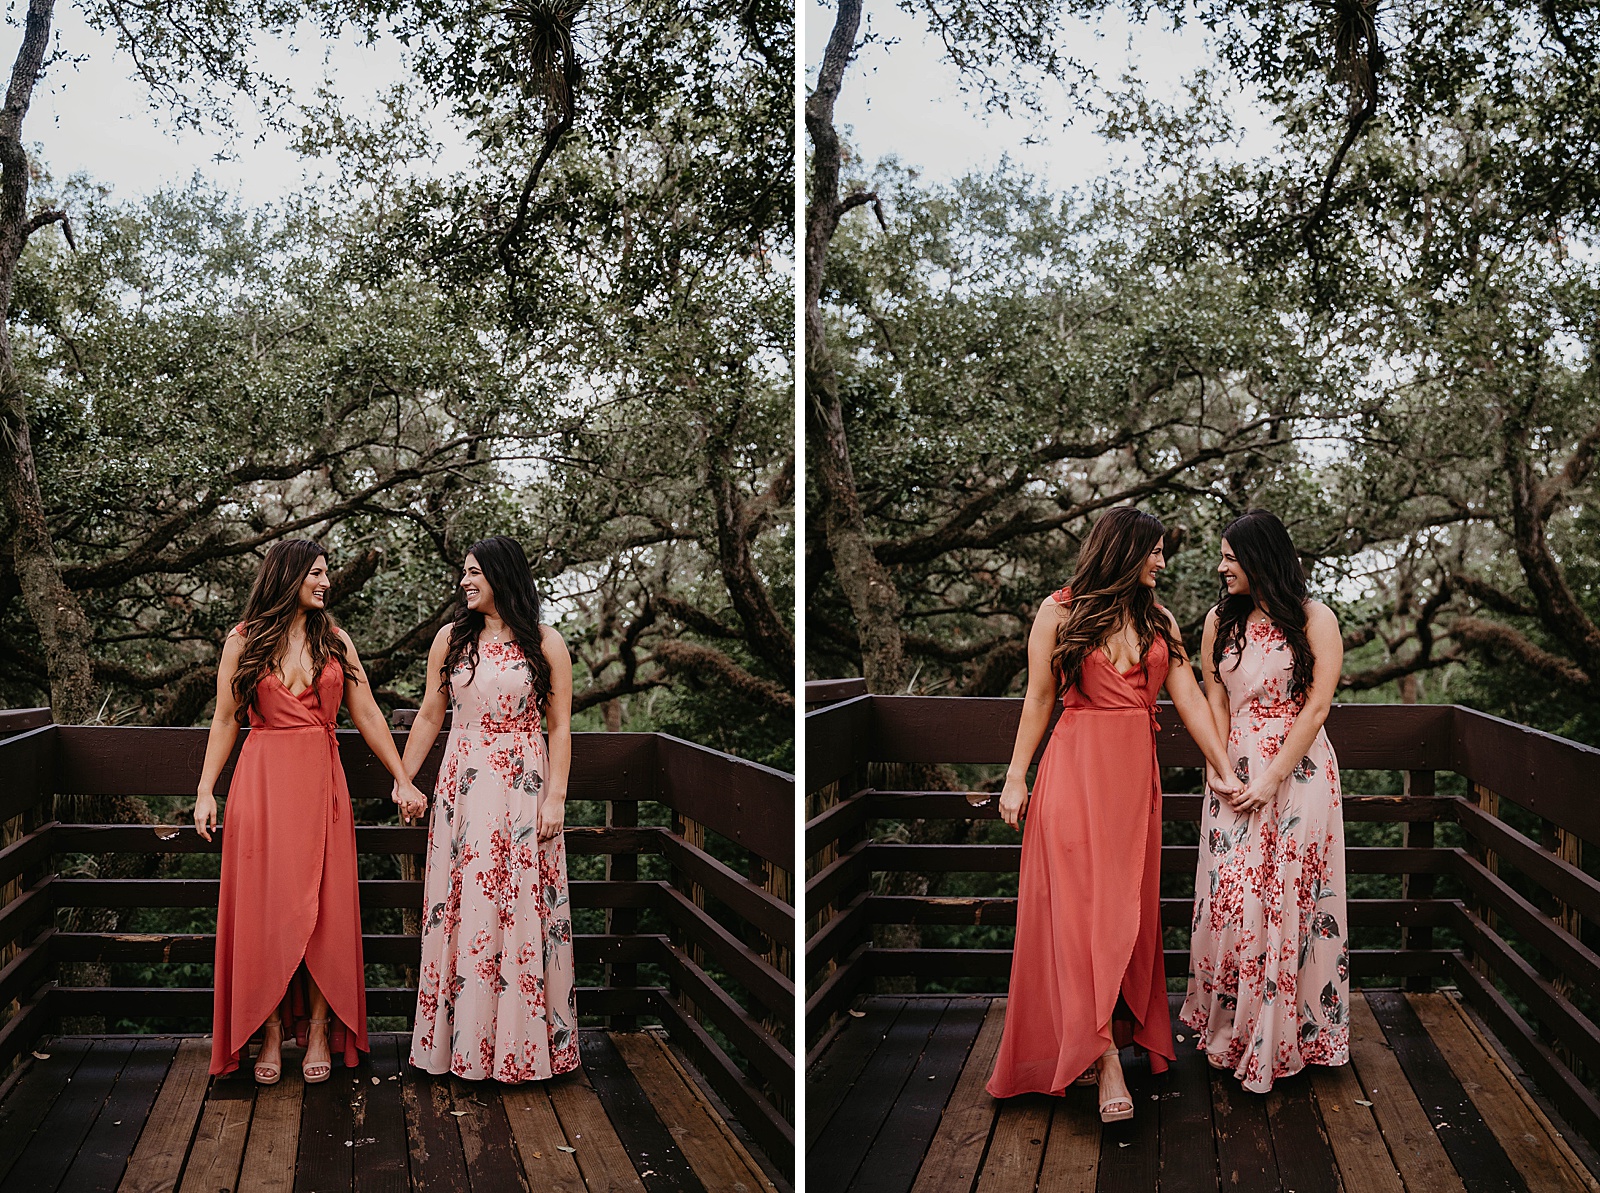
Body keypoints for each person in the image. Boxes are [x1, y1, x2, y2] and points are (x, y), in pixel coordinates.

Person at [985, 507, 1241, 1122]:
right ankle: (1101, 1064)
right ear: (1125, 550)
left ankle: (1103, 1042)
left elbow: (1189, 702)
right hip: (1073, 775)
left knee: (1126, 915)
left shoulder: (1160, 619)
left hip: (1133, 786)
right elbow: (1039, 698)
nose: (1163, 561)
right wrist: (1016, 776)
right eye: (1155, 550)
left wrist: (1225, 769)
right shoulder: (1059, 612)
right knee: (1078, 919)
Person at [195, 539, 429, 1083]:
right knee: (266, 911)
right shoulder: (244, 641)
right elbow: (226, 719)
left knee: (324, 911)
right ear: (289, 575)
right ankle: (272, 1033)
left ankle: (322, 1029)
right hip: (261, 788)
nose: (327, 582)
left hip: (323, 787)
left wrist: (402, 778)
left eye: (327, 574)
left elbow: (367, 714)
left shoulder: (337, 641)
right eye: (318, 573)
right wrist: (207, 788)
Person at [1180, 509, 1348, 1091]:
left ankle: (1290, 1037)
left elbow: (1318, 707)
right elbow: (1214, 700)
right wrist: (1219, 769)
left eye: (1230, 557)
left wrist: (1273, 777)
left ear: (1261, 558)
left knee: (1289, 898)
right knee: (1235, 899)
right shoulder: (1217, 622)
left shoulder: (1314, 619)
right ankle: (1235, 1029)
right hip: (1234, 771)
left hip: (1299, 776)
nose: (1221, 567)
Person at [401, 535, 579, 1082]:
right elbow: (431, 715)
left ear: (502, 575)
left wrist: (556, 797)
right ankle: (464, 1047)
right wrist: (405, 777)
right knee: (467, 909)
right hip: (464, 789)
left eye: (474, 571)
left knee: (521, 908)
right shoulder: (451, 640)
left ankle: (522, 1051)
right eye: (464, 572)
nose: (464, 581)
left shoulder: (546, 643)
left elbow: (560, 725)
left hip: (524, 790)